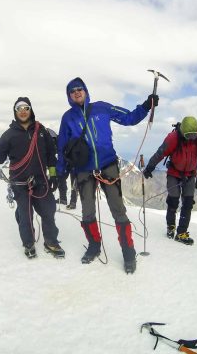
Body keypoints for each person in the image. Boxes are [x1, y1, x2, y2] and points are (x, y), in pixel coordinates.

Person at [56, 77, 158, 274]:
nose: (77, 92)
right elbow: (62, 147)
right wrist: (60, 172)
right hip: (84, 170)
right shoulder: (67, 118)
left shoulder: (101, 108)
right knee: (87, 212)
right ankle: (94, 246)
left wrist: (146, 106)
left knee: (118, 210)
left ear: (85, 91)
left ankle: (128, 252)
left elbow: (128, 118)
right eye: (72, 91)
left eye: (79, 89)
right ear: (69, 96)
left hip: (108, 165)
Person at [0, 97, 64, 259]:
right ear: (15, 112)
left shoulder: (42, 131)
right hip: (19, 182)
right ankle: (28, 243)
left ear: (31, 110)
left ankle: (51, 241)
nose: (23, 111)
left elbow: (51, 154)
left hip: (40, 180)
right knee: (25, 214)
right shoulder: (9, 135)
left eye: (26, 108)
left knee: (48, 210)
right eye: (19, 108)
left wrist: (53, 175)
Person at [142, 116, 197, 245]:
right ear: (183, 132)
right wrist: (149, 168)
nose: (191, 138)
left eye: (193, 135)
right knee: (173, 201)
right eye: (189, 135)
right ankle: (171, 227)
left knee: (188, 203)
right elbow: (160, 153)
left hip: (190, 174)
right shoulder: (173, 138)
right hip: (174, 173)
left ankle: (181, 232)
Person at [48, 129, 78, 209]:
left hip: (73, 161)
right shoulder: (58, 141)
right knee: (61, 177)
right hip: (67, 161)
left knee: (73, 180)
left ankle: (72, 202)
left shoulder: (61, 142)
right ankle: (64, 199)